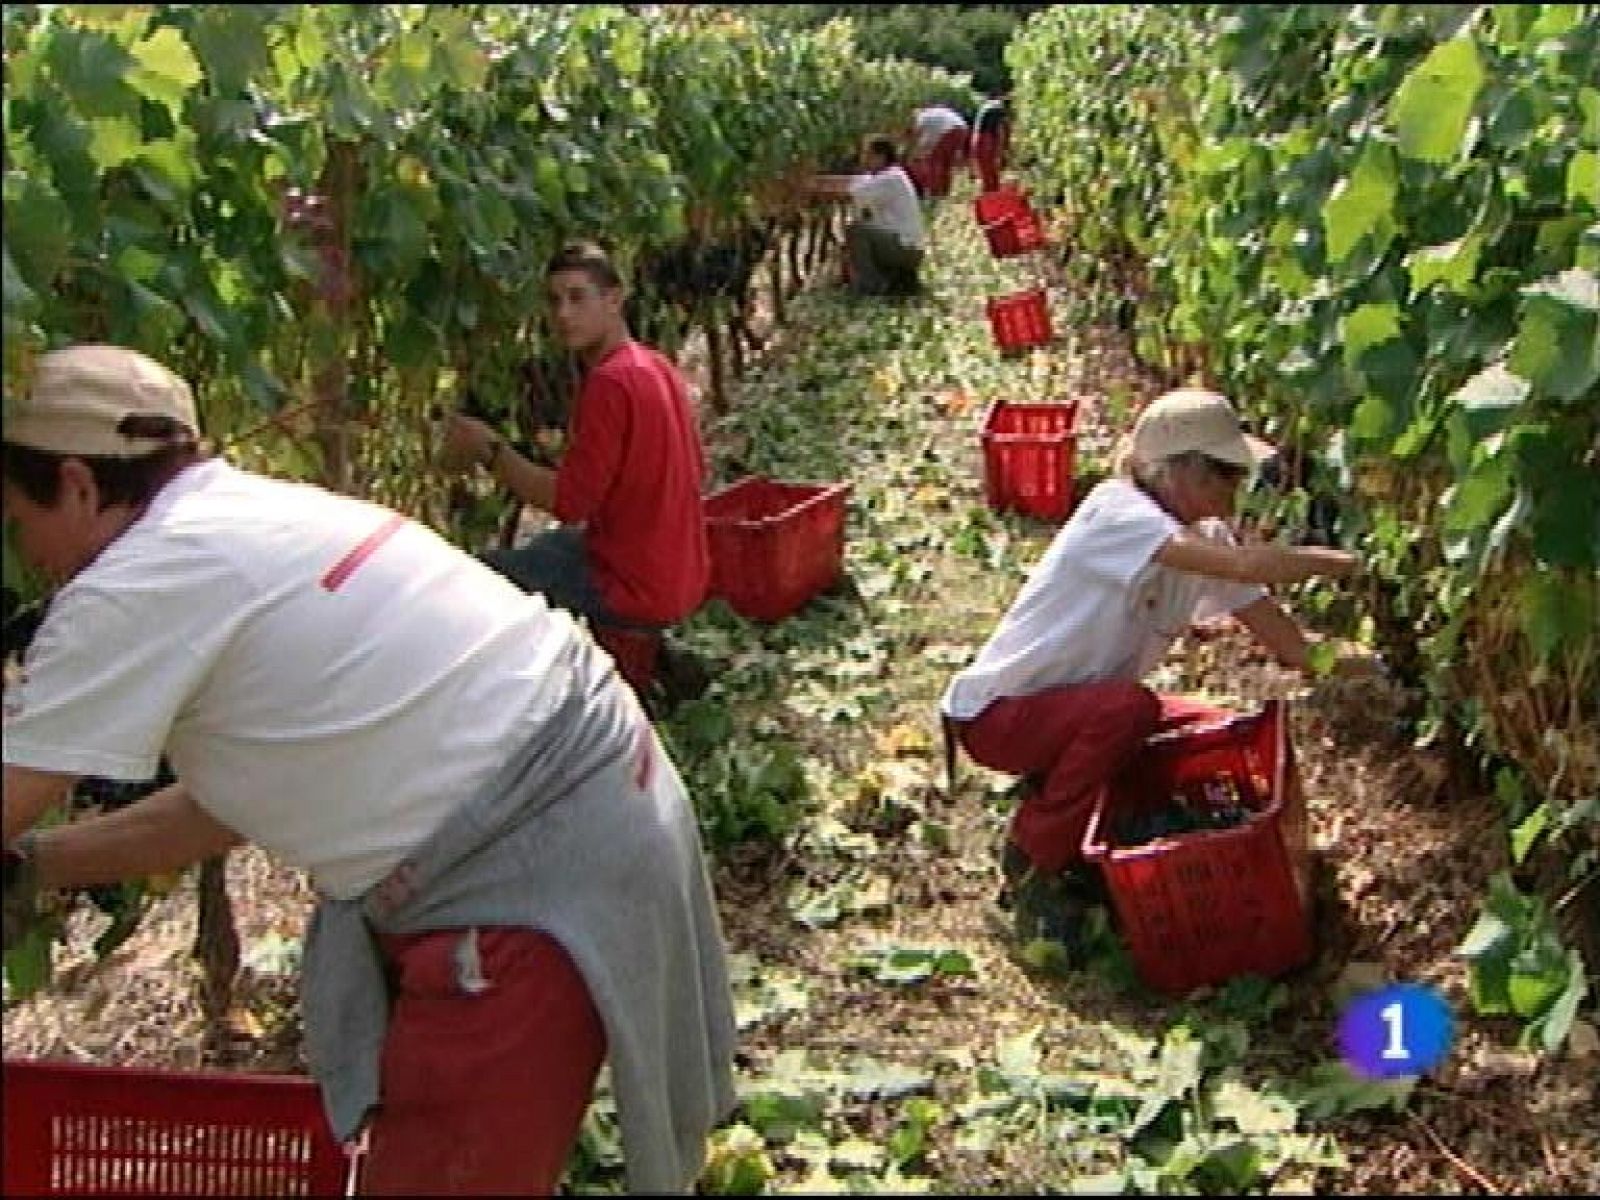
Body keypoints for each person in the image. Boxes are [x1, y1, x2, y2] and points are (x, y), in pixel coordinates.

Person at [1, 344, 738, 1195]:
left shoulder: (134, 585)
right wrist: (40, 868)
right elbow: (230, 803)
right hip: (596, 804)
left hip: (528, 876)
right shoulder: (246, 517)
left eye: (20, 520)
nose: (26, 554)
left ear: (79, 485)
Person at [939, 388, 1362, 948]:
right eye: (1225, 472)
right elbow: (1242, 564)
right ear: (1176, 471)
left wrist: (1366, 670)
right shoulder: (1119, 514)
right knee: (1128, 710)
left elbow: (1286, 640)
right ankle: (1033, 862)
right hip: (999, 719)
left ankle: (1094, 824)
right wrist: (1345, 563)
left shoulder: (1201, 537)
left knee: (1208, 727)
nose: (1237, 487)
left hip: (1069, 708)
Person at [440, 240, 711, 634]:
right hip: (682, 574)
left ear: (614, 299)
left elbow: (569, 502)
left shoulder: (610, 383)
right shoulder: (655, 365)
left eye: (577, 298)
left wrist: (490, 449)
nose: (564, 314)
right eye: (554, 301)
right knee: (553, 547)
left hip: (634, 588)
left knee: (479, 580)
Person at [806, 136, 926, 298]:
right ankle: (889, 280)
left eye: (868, 155)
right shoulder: (881, 176)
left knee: (856, 231)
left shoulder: (890, 179)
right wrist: (810, 181)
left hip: (905, 249)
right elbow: (846, 182)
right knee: (854, 237)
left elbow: (846, 194)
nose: (863, 160)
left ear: (881, 157)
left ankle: (871, 286)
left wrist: (807, 189)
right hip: (902, 245)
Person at [905, 103, 969, 198]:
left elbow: (919, 137)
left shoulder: (922, 116)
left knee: (936, 163)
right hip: (962, 129)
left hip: (949, 130)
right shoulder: (934, 114)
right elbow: (928, 140)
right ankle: (944, 192)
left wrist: (913, 155)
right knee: (947, 164)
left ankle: (935, 193)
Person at [970, 92, 1011, 194]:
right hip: (985, 139)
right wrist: (1005, 149)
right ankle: (991, 197)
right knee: (989, 173)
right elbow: (1005, 128)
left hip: (979, 139)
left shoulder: (988, 106)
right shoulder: (998, 107)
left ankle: (990, 196)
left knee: (987, 172)